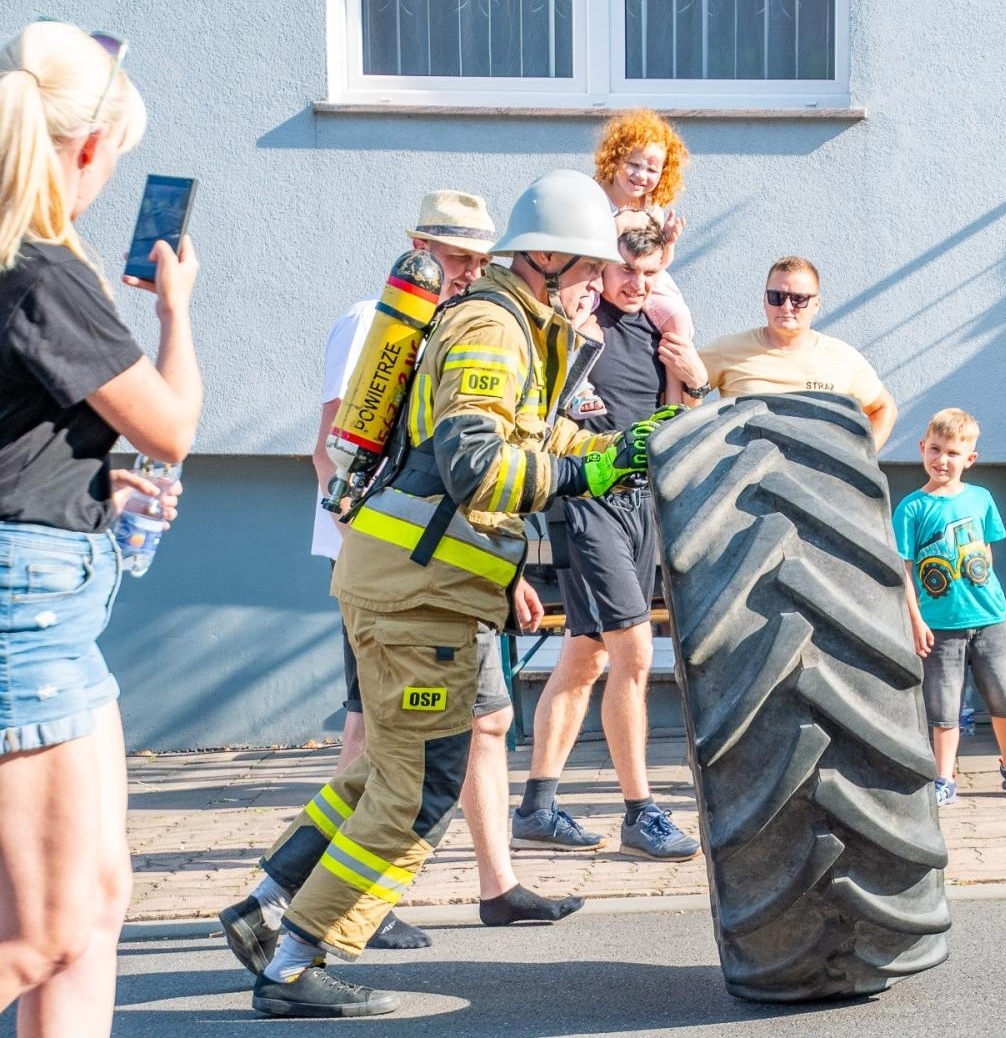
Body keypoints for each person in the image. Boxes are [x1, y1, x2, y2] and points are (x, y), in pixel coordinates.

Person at [223, 170, 679, 1018]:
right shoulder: (489, 329)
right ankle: (295, 962)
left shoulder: (522, 329)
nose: (594, 284)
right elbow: (476, 464)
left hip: (421, 587)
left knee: (381, 776)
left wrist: (621, 443)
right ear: (542, 257)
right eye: (584, 267)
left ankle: (265, 907)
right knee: (418, 788)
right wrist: (589, 470)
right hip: (415, 597)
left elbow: (529, 435)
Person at [230, 190, 567, 961]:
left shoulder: (454, 321)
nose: (471, 270)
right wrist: (384, 547)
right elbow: (339, 446)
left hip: (433, 574)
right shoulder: (379, 322)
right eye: (456, 256)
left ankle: (267, 903)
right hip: (409, 581)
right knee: (398, 766)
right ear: (418, 245)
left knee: (407, 750)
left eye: (483, 258)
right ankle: (313, 930)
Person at [0, 20, 202, 1036]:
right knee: (40, 931)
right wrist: (177, 308)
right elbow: (174, 422)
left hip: (48, 596)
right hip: (26, 615)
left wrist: (94, 485)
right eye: (113, 156)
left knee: (101, 902)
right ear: (85, 148)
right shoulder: (39, 266)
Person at [512, 218, 703, 861]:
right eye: (626, 272)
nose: (638, 286)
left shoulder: (658, 328)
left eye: (650, 276)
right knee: (634, 652)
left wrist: (695, 380)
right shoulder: (575, 331)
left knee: (586, 655)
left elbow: (679, 418)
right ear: (598, 267)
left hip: (640, 503)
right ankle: (639, 811)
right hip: (586, 500)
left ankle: (537, 806)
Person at [893, 409, 1006, 807]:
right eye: (935, 450)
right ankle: (944, 776)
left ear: (970, 459)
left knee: (1005, 696)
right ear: (921, 449)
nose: (942, 460)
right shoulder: (911, 508)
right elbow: (904, 570)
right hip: (939, 627)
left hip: (991, 620)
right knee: (943, 706)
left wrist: (987, 598)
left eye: (952, 453)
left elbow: (986, 552)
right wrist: (915, 620)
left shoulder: (981, 499)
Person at [690, 256, 896, 449]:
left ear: (816, 304)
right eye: (776, 297)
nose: (786, 307)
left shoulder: (843, 358)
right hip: (743, 480)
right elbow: (684, 399)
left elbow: (884, 409)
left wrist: (860, 459)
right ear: (764, 300)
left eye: (798, 299)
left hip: (818, 483)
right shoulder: (727, 349)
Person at [593, 109, 707, 406]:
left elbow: (656, 264)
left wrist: (668, 242)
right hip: (595, 273)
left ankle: (673, 398)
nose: (640, 176)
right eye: (633, 164)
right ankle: (579, 386)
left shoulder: (652, 209)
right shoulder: (595, 198)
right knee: (579, 318)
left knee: (679, 321)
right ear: (614, 158)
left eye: (652, 170)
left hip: (652, 278)